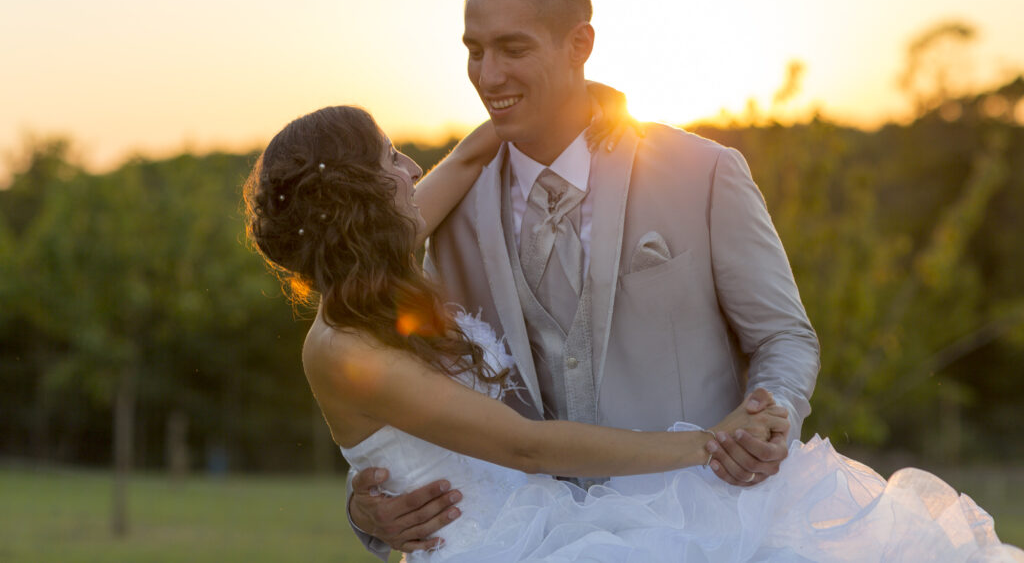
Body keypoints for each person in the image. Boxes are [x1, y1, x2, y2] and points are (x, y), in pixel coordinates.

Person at [243, 105, 1021, 562]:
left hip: (554, 516)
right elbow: (524, 447)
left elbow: (476, 148)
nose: (411, 163)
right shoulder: (341, 349)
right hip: (505, 544)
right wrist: (707, 447)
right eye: (388, 157)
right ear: (361, 198)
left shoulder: (385, 262)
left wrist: (579, 101)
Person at [348, 0, 821, 557]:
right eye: (474, 50)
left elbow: (784, 335)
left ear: (580, 45)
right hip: (533, 542)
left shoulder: (702, 172)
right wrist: (368, 507)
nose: (487, 75)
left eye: (513, 49)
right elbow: (414, 384)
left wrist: (771, 414)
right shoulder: (451, 212)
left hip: (708, 527)